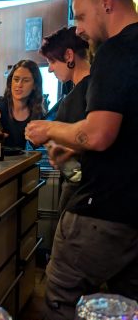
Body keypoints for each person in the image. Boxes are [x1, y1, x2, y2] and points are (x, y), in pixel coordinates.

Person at [25, 0, 138, 320]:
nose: (79, 29)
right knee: (124, 318)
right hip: (133, 216)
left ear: (106, 2)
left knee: (61, 306)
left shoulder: (116, 50)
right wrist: (75, 149)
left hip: (101, 211)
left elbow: (99, 134)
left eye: (81, 16)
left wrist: (49, 129)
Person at [39, 26, 91, 213]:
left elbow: (79, 154)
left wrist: (60, 152)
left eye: (52, 61)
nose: (50, 69)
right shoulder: (88, 89)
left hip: (81, 193)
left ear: (69, 56)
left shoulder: (83, 93)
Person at [0, 59, 43, 148]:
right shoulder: (0, 104)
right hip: (0, 157)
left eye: (26, 80)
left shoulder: (38, 113)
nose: (19, 85)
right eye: (16, 79)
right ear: (10, 82)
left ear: (35, 85)